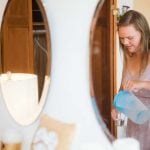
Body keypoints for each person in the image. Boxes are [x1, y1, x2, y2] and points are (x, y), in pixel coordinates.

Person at [111, 10, 150, 150]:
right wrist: (116, 104)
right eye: (121, 38)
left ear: (142, 33)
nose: (125, 42)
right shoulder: (129, 55)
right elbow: (123, 85)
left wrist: (142, 84)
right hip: (136, 118)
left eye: (130, 37)